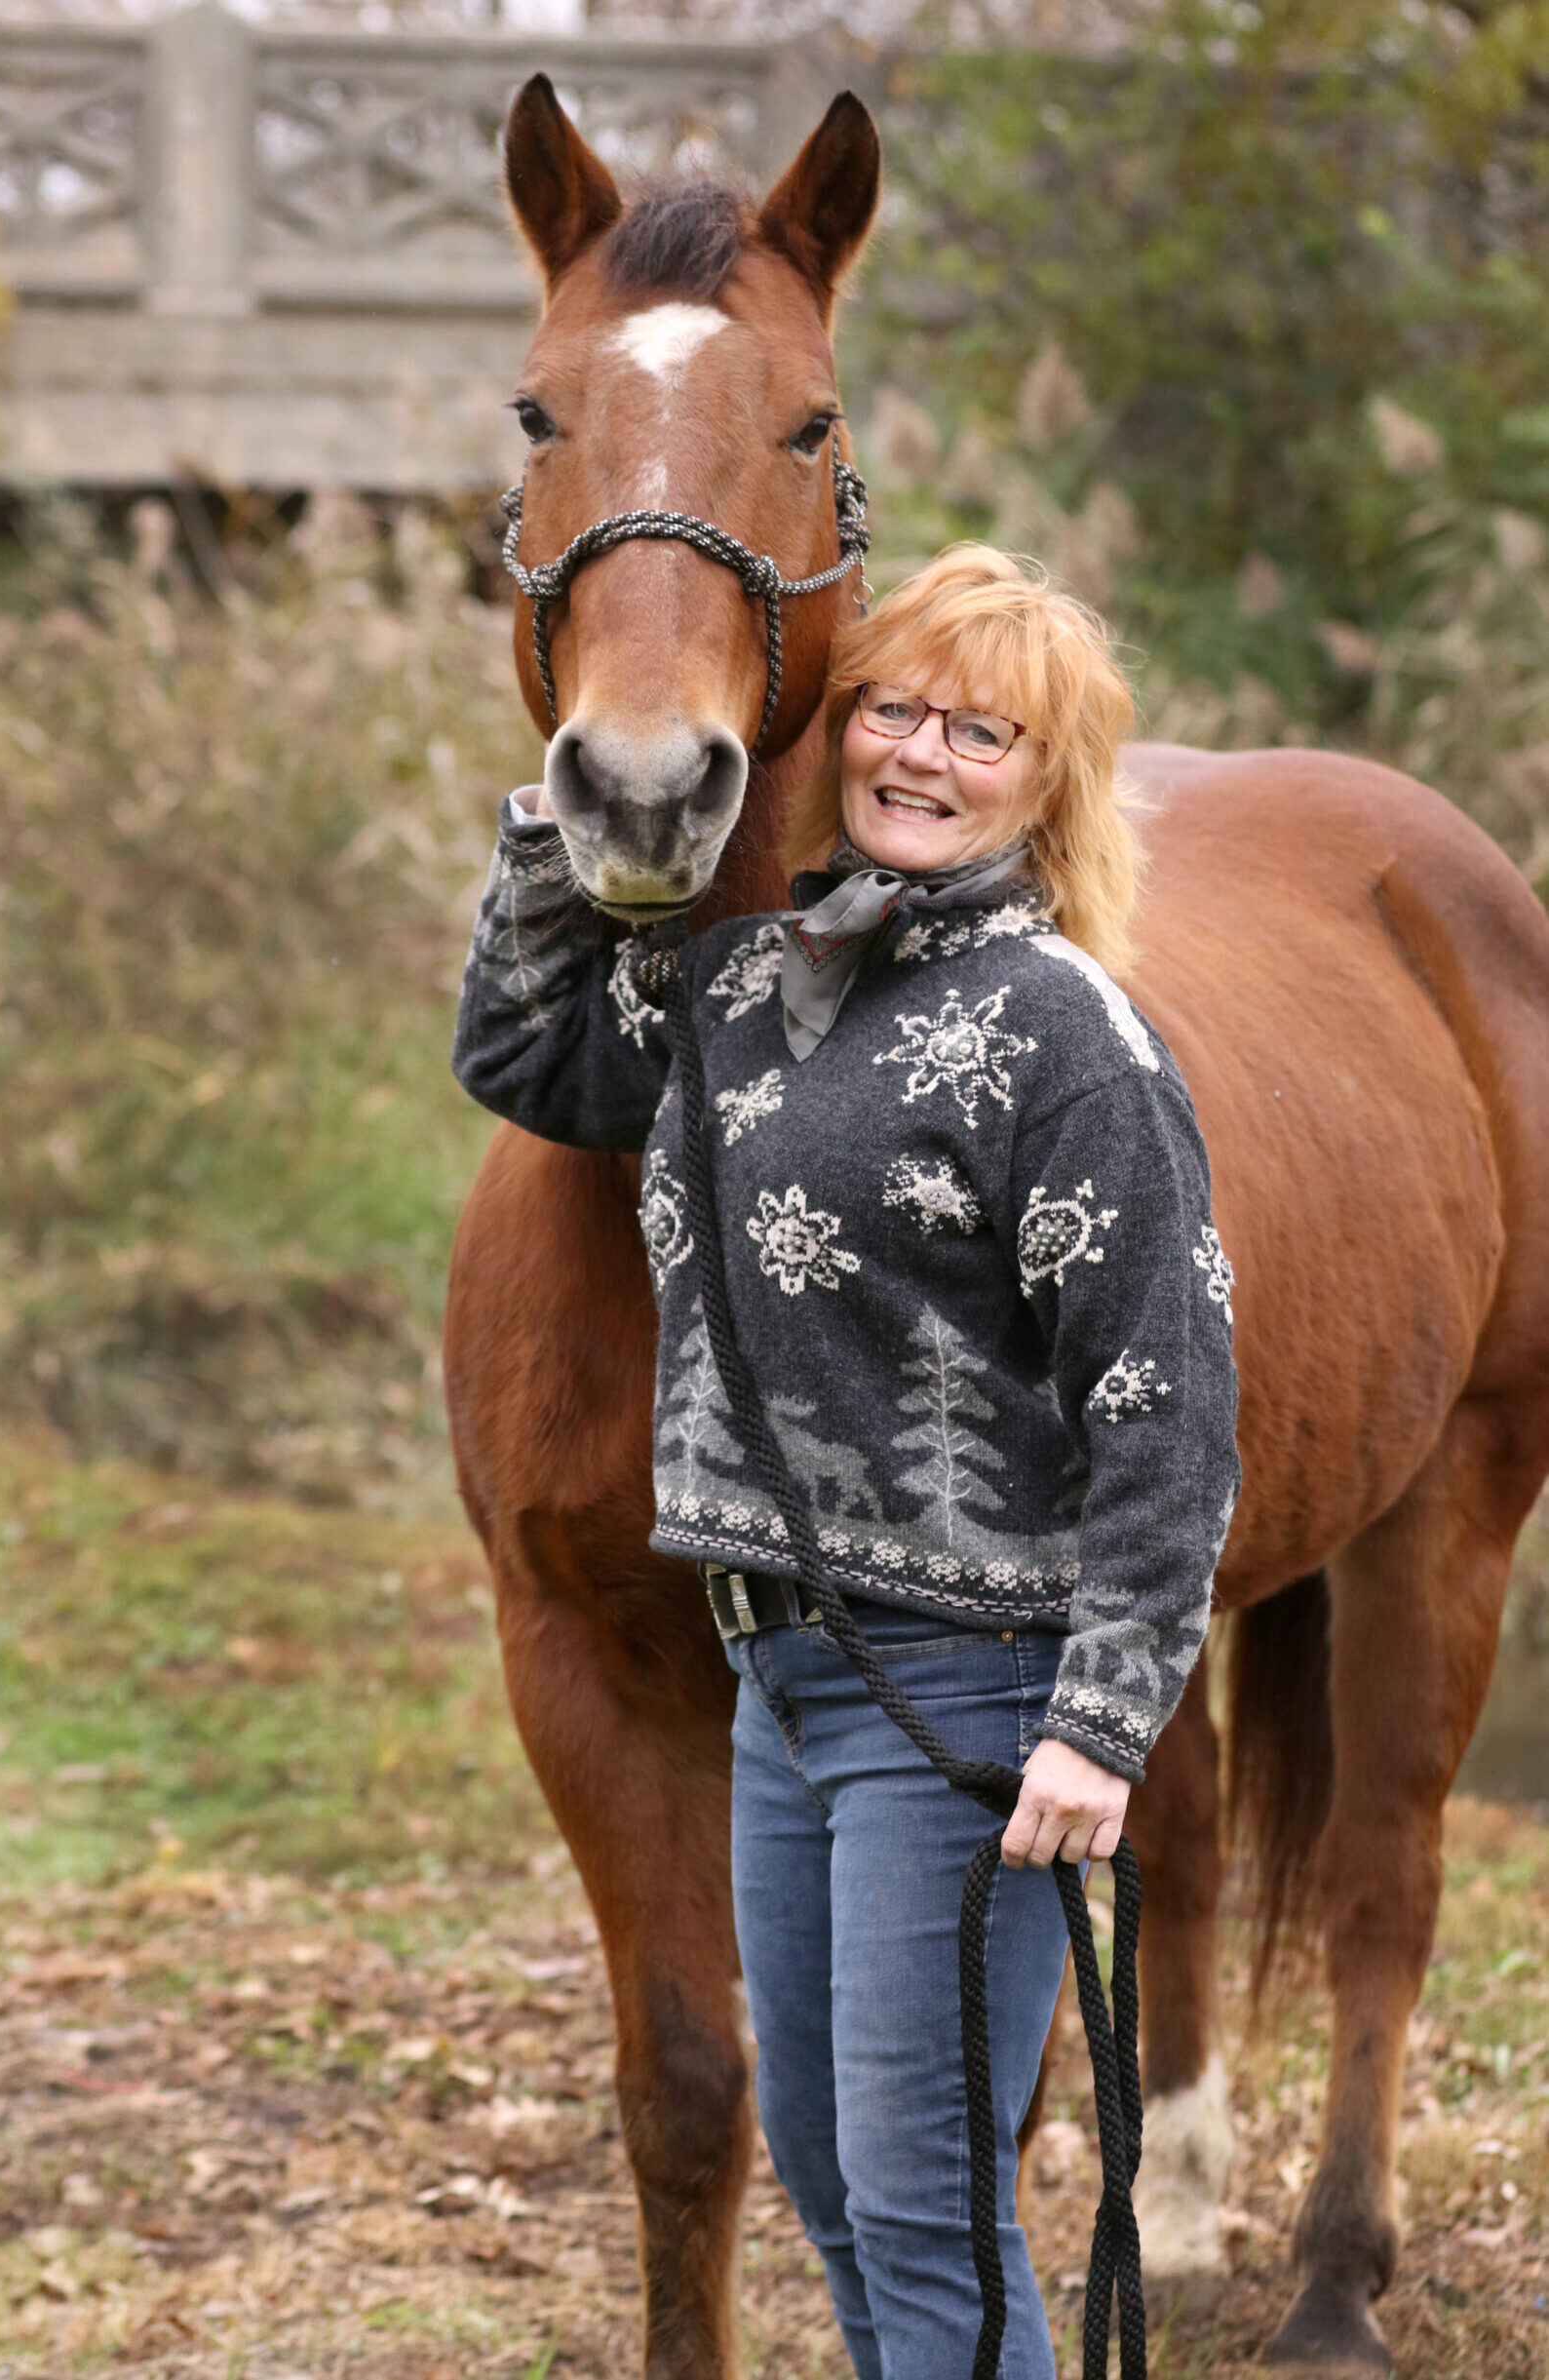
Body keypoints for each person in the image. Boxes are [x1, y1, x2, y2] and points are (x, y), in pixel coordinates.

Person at [452, 544, 1240, 2379]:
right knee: (829, 2173)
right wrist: (582, 769)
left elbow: (1169, 1412)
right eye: (894, 708)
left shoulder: (1071, 1042)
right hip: (783, 1683)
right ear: (834, 729)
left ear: (1049, 783)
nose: (920, 753)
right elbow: (519, 1042)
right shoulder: (752, 984)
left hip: (963, 1697)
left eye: (985, 731)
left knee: (926, 2198)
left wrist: (1103, 1718)